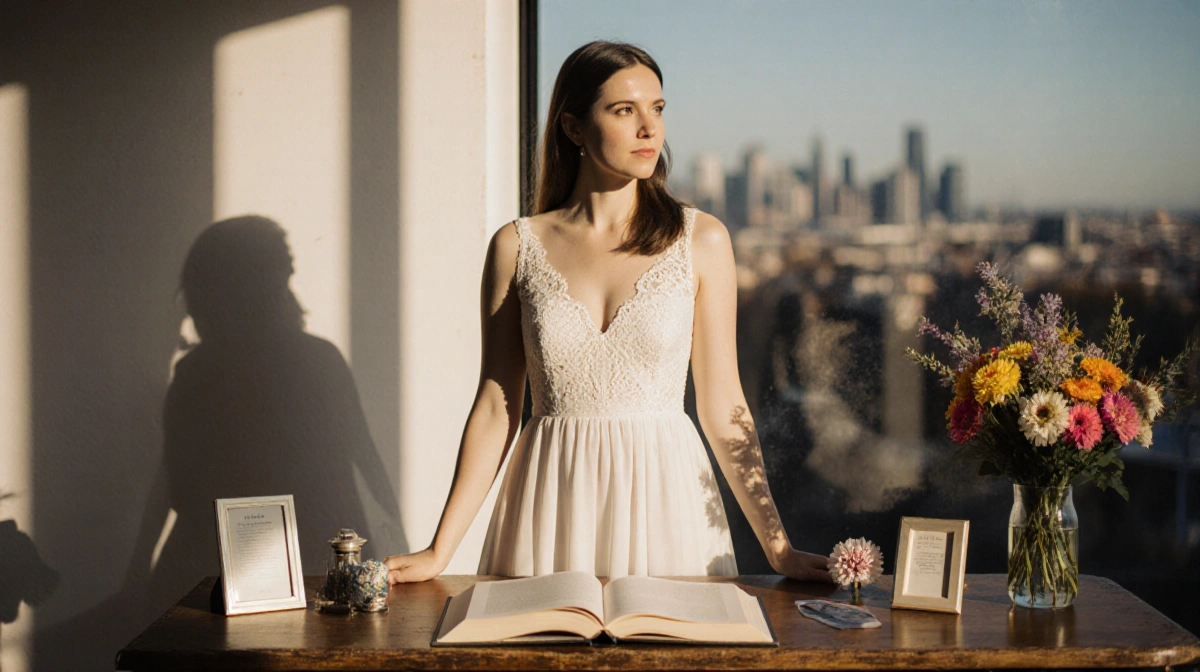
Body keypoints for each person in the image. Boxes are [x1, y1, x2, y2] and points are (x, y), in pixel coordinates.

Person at [384, 41, 832, 583]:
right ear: (572, 128)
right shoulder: (516, 246)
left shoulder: (702, 240)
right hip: (550, 499)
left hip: (667, 498)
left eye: (658, 109)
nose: (649, 128)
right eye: (625, 111)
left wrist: (778, 549)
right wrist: (440, 551)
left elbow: (724, 406)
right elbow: (497, 407)